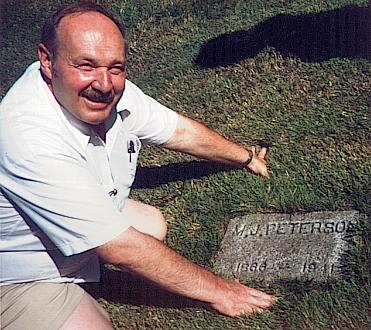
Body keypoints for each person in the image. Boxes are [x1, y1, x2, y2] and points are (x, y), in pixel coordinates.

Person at [0, 2, 275, 329]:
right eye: (86, 66)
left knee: (151, 225)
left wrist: (245, 157)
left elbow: (179, 132)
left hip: (55, 232)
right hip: (19, 273)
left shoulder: (112, 89)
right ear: (48, 60)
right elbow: (121, 250)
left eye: (115, 67)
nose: (103, 84)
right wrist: (219, 291)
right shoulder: (28, 138)